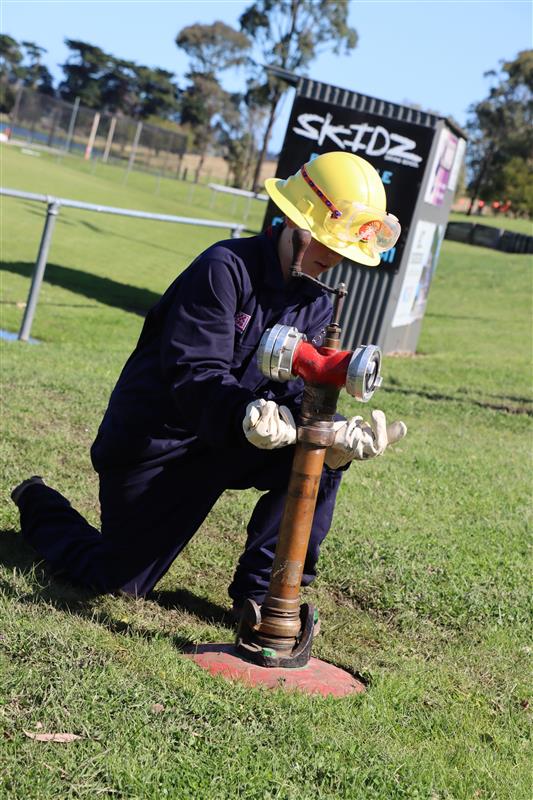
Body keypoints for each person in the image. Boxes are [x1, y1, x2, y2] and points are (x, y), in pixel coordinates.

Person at [11, 151, 406, 612]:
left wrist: (334, 434)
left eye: (343, 248)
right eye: (327, 240)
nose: (334, 257)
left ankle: (263, 595)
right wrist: (247, 414)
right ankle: (38, 501)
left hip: (237, 439)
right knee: (118, 580)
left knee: (320, 459)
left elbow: (299, 389)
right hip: (159, 443)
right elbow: (193, 376)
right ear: (293, 218)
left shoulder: (315, 301)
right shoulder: (223, 269)